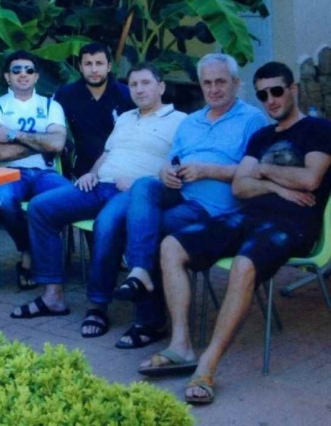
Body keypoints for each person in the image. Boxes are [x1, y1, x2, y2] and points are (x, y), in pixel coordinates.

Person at [140, 62, 331, 405]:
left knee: (243, 265)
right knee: (171, 245)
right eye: (263, 95)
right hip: (247, 217)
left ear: (293, 89)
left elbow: (310, 179)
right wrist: (276, 183)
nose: (270, 100)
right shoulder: (261, 137)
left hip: (294, 224)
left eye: (277, 91)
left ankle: (207, 367)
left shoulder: (318, 129)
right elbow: (241, 187)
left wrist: (262, 171)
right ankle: (181, 346)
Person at [84, 53, 269, 348]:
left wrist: (208, 171)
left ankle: (149, 321)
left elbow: (259, 172)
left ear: (235, 83)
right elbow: (169, 162)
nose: (213, 89)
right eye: (207, 83)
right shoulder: (192, 121)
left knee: (149, 229)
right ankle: (140, 271)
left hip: (215, 209)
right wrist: (166, 172)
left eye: (220, 82)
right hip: (180, 193)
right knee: (144, 184)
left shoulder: (252, 120)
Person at [11, 63, 186, 320]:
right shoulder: (125, 118)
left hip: (134, 193)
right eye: (133, 84)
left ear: (161, 87)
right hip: (99, 185)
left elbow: (176, 167)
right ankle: (52, 296)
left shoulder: (181, 121)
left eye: (145, 83)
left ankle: (98, 305)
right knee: (40, 207)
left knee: (105, 224)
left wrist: (141, 181)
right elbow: (107, 154)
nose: (139, 89)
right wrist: (91, 173)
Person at [0, 50, 70, 289]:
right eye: (16, 70)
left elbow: (57, 144)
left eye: (29, 70)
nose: (23, 74)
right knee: (2, 200)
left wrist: (14, 135)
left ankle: (35, 256)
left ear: (36, 76)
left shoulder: (51, 105)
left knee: (70, 196)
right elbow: (1, 153)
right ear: (7, 76)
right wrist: (42, 143)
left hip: (45, 174)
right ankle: (29, 250)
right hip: (8, 173)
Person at [54, 42, 135, 179]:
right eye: (88, 64)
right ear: (80, 67)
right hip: (78, 169)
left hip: (120, 168)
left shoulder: (126, 96)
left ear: (109, 67)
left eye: (99, 63)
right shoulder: (66, 95)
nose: (94, 70)